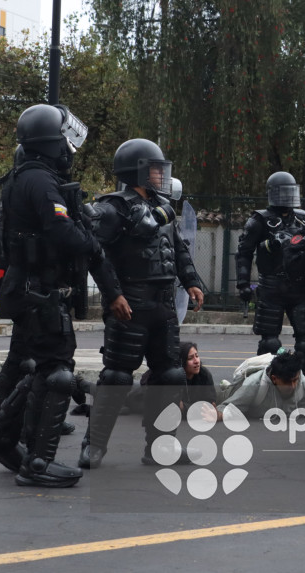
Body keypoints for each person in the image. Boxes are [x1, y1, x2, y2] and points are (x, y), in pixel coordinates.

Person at [0, 104, 121, 488]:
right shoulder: (40, 180)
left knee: (36, 367)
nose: (68, 150)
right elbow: (63, 233)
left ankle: (2, 436)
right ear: (51, 143)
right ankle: (39, 463)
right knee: (56, 372)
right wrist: (88, 235)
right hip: (38, 291)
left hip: (30, 289)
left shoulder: (26, 176)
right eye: (64, 143)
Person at [77, 138, 204, 470]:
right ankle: (94, 445)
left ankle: (161, 449)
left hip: (162, 302)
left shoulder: (162, 206)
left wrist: (191, 281)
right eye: (154, 169)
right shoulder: (112, 207)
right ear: (137, 171)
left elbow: (177, 250)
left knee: (171, 374)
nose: (160, 175)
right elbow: (95, 254)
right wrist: (113, 294)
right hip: (129, 301)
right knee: (117, 376)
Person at [235, 172, 305, 378]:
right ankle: (270, 382)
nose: (287, 198)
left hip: (300, 288)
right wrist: (243, 283)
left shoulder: (303, 218)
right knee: (270, 343)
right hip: (272, 287)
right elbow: (244, 253)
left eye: (291, 193)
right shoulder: (259, 220)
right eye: (283, 193)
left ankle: (302, 383)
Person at [203, 349, 305, 421]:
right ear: (274, 379)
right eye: (287, 382)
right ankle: (227, 387)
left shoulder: (303, 384)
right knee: (208, 397)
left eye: (295, 380)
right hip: (238, 391)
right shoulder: (254, 385)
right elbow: (228, 407)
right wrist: (218, 415)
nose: (293, 385)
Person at [177, 341, 217, 414]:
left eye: (197, 356)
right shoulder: (174, 378)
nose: (196, 361)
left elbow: (210, 406)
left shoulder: (204, 374)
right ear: (181, 361)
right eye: (190, 358)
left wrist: (184, 407)